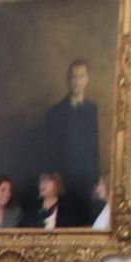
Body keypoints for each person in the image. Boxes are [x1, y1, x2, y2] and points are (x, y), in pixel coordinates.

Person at [43, 58, 101, 220]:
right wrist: (57, 182)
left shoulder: (92, 109)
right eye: (74, 77)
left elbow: (94, 147)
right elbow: (51, 152)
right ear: (68, 80)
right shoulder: (55, 113)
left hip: (89, 183)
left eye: (81, 76)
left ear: (87, 79)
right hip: (65, 184)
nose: (77, 81)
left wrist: (97, 179)